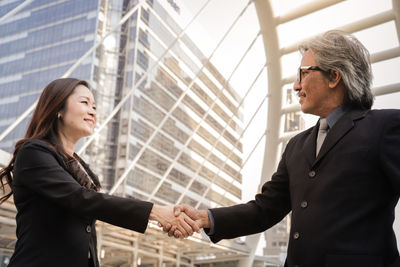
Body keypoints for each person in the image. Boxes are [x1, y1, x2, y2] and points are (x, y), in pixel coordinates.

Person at [167, 30, 400, 267]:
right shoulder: (296, 146)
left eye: (303, 74)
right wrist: (206, 218)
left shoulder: (386, 128)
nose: (296, 86)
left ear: (333, 77)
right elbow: (265, 209)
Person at [0, 78, 200, 267]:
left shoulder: (80, 169)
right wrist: (156, 212)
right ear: (58, 108)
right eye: (85, 103)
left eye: (94, 106)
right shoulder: (33, 153)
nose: (93, 111)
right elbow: (82, 199)